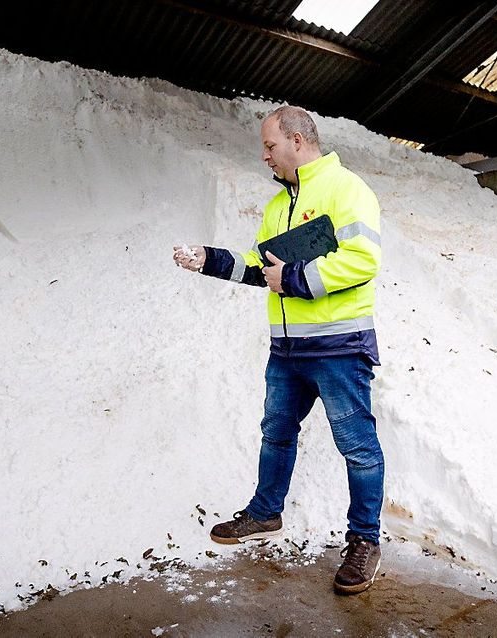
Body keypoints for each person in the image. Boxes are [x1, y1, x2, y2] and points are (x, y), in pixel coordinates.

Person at [172, 105, 384, 594]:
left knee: (358, 448)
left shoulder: (346, 190)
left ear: (296, 140)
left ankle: (365, 541)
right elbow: (259, 266)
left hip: (338, 346)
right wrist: (211, 260)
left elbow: (363, 260)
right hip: (287, 350)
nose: (264, 155)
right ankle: (266, 513)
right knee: (276, 432)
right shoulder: (277, 206)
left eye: (270, 146)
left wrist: (290, 278)